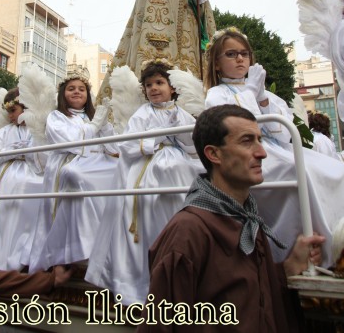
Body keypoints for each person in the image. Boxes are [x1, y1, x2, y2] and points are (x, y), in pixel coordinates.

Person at [137, 105, 325, 333]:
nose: (262, 152)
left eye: (259, 139)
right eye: (247, 141)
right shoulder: (187, 233)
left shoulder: (248, 220)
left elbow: (249, 293)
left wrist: (287, 268)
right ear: (213, 154)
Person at [204, 27, 344, 264]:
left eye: (244, 54)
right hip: (245, 155)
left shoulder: (263, 91)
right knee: (301, 172)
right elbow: (238, 128)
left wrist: (262, 97)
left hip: (277, 149)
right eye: (231, 54)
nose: (240, 58)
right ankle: (307, 247)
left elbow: (282, 135)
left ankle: (336, 239)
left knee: (333, 169)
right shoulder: (216, 94)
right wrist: (249, 91)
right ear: (216, 64)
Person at [85, 60, 203, 305]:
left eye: (159, 83)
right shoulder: (143, 114)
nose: (154, 88)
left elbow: (193, 146)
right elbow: (128, 145)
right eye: (149, 85)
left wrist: (180, 132)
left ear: (172, 88)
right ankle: (139, 282)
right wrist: (155, 140)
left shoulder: (181, 114)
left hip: (179, 165)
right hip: (147, 166)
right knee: (143, 208)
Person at [28, 70, 118, 273]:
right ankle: (75, 248)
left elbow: (112, 147)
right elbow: (72, 142)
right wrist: (95, 125)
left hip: (96, 163)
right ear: (63, 94)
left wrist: (104, 126)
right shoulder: (57, 117)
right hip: (69, 162)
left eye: (81, 89)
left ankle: (106, 242)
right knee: (77, 176)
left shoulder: (92, 117)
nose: (77, 92)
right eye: (71, 89)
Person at [0, 88, 46, 270]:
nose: (10, 117)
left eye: (13, 111)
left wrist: (31, 150)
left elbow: (44, 159)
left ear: (25, 107)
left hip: (33, 174)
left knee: (32, 194)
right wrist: (13, 150)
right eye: (8, 112)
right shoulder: (3, 132)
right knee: (6, 196)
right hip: (6, 174)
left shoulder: (38, 129)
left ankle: (25, 254)